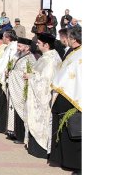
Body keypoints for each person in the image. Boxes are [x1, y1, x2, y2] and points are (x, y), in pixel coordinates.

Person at [24, 32, 62, 159]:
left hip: (44, 99)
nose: (36, 44)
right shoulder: (45, 57)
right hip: (36, 97)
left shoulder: (51, 60)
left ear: (46, 45)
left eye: (39, 43)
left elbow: (46, 82)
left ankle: (41, 149)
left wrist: (31, 77)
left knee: (42, 124)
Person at [49, 28, 82, 172]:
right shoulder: (73, 52)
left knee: (74, 131)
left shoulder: (81, 54)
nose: (66, 40)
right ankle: (65, 160)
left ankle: (77, 165)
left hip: (73, 98)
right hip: (63, 97)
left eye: (68, 37)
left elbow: (78, 78)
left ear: (73, 39)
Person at [5, 37, 36, 144]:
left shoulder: (30, 59)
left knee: (21, 111)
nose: (18, 48)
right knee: (12, 110)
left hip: (21, 89)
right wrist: (8, 71)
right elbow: (12, 68)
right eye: (18, 45)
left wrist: (13, 74)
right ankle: (13, 132)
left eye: (20, 46)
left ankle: (21, 135)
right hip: (14, 88)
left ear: (27, 48)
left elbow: (30, 75)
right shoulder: (17, 55)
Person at [0, 30, 18, 134]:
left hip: (7, 78)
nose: (2, 39)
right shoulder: (9, 47)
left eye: (3, 37)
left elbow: (7, 63)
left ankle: (5, 127)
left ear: (8, 38)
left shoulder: (13, 47)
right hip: (4, 77)